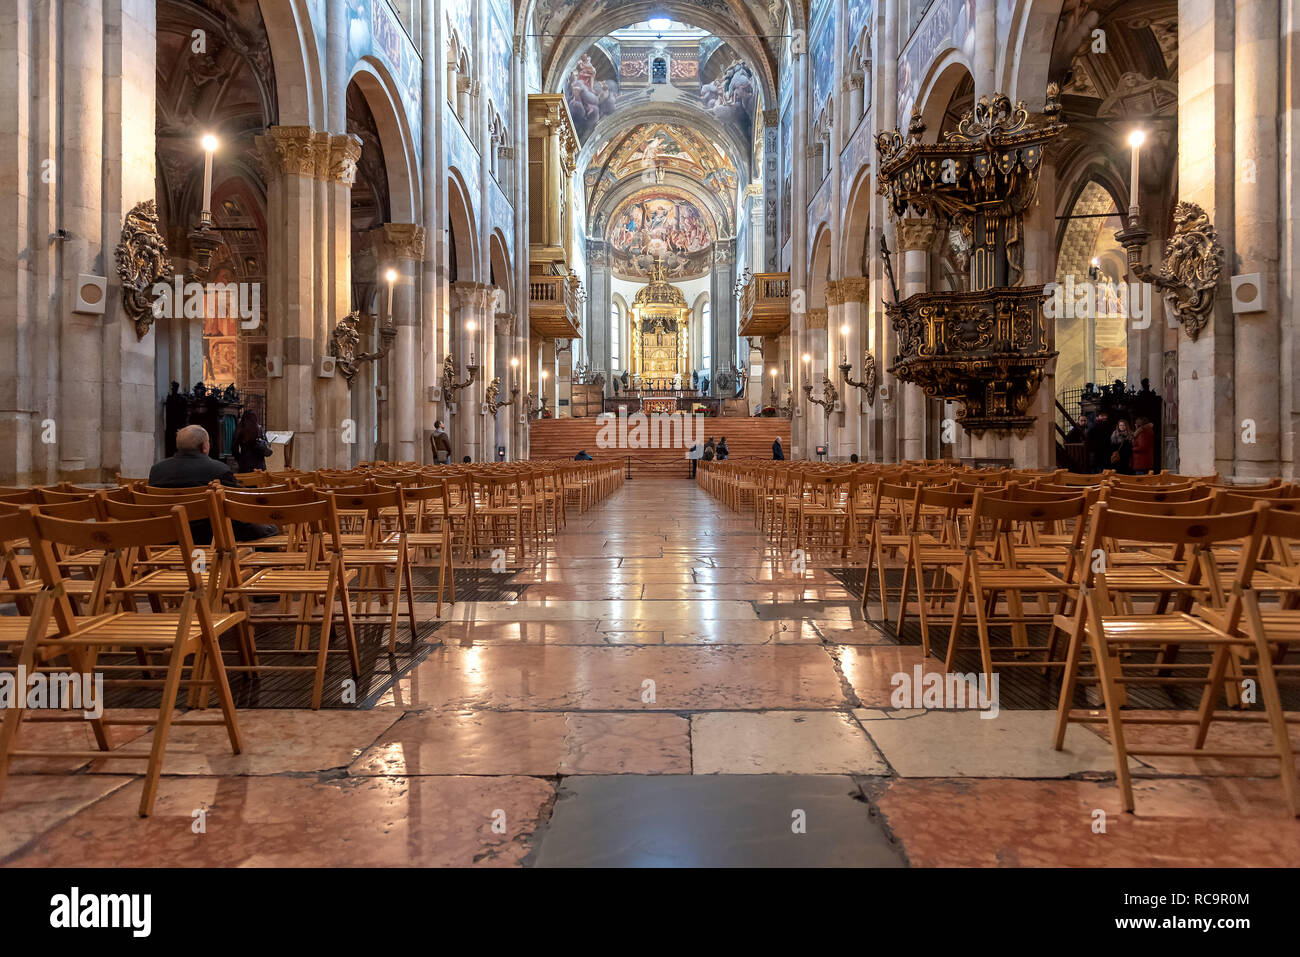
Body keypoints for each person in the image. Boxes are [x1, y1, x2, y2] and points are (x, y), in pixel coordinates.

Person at [148, 424, 275, 542]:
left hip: (168, 535)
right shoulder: (218, 470)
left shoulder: (157, 470)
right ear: (204, 446)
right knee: (269, 529)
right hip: (210, 536)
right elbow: (237, 505)